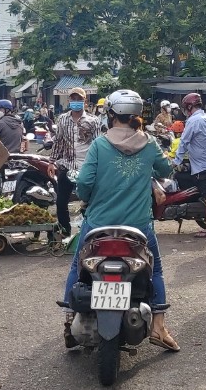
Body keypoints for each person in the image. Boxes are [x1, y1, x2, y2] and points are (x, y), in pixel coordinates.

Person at [60, 89, 180, 352]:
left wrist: (88, 197)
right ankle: (158, 327)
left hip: (98, 224)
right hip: (138, 225)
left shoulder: (100, 145)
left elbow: (84, 183)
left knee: (76, 267)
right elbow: (166, 170)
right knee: (155, 270)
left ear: (111, 114)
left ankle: (69, 321)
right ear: (137, 115)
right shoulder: (149, 143)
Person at [48, 87, 103, 236]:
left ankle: (90, 233)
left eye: (79, 99)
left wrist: (100, 166)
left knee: (90, 202)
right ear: (69, 100)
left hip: (87, 168)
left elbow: (98, 144)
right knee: (61, 202)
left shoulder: (94, 121)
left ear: (85, 101)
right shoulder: (63, 119)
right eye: (74, 99)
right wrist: (52, 162)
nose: (76, 102)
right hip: (67, 166)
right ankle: (65, 232)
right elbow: (58, 142)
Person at [173, 92, 206, 239]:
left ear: (189, 106)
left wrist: (176, 161)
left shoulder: (194, 121)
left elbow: (184, 142)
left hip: (201, 165)